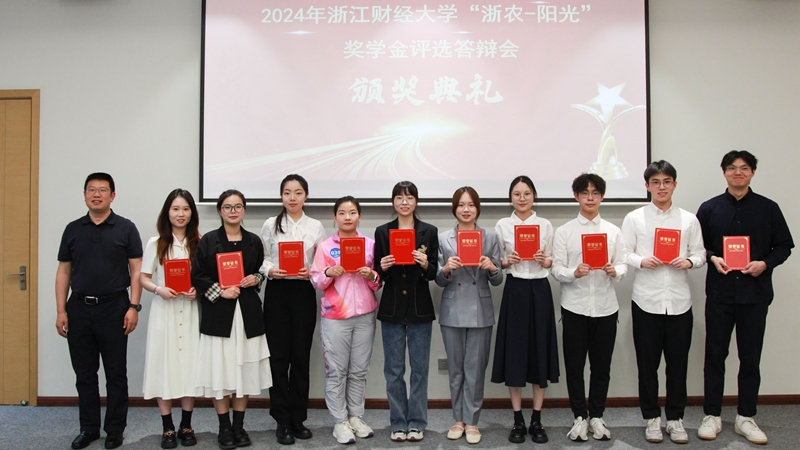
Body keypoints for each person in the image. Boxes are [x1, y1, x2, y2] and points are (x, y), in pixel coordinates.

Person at [696, 151, 793, 445]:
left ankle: (746, 417)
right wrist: (713, 257)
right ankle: (712, 414)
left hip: (755, 294)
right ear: (724, 172)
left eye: (744, 168)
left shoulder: (768, 208)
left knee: (750, 358)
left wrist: (765, 263)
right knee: (715, 356)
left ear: (752, 173)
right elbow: (697, 247)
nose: (738, 172)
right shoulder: (709, 208)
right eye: (732, 168)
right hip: (720, 295)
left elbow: (784, 246)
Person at [55, 172, 143, 450]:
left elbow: (136, 271)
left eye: (102, 190)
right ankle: (89, 429)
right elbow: (63, 271)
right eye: (91, 190)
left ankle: (115, 430)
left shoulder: (126, 228)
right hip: (79, 309)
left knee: (116, 374)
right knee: (84, 374)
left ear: (112, 196)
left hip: (115, 308)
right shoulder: (73, 229)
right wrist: (61, 310)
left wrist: (133, 306)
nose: (96, 194)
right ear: (84, 195)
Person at [620, 161, 706, 444]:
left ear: (674, 185)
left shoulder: (689, 220)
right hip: (646, 301)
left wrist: (689, 262)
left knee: (678, 365)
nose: (661, 187)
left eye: (667, 181)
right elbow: (624, 253)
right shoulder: (634, 218)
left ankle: (676, 419)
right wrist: (641, 261)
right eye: (655, 182)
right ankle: (652, 419)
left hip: (680, 303)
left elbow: (700, 254)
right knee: (647, 366)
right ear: (647, 186)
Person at [191, 189, 272, 450]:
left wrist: (255, 279)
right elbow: (197, 276)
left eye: (238, 206)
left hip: (248, 313)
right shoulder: (209, 240)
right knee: (221, 371)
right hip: (219, 315)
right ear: (220, 211)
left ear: (244, 210)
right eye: (227, 207)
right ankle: (224, 427)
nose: (233, 211)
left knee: (244, 371)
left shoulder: (253, 241)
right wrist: (220, 291)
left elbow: (261, 271)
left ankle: (239, 426)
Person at [553, 173, 627, 442]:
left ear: (602, 196)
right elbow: (557, 269)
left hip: (606, 308)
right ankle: (579, 417)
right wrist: (573, 272)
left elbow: (623, 264)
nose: (590, 198)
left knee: (601, 367)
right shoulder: (564, 232)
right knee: (574, 367)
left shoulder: (613, 231)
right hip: (575, 307)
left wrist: (615, 270)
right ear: (576, 196)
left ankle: (597, 415)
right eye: (585, 193)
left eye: (595, 193)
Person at [491, 176, 559, 444]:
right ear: (511, 198)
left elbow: (553, 260)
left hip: (540, 290)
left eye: (527, 193)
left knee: (540, 352)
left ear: (534, 196)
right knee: (515, 354)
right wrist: (506, 262)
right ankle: (517, 419)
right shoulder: (502, 225)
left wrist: (545, 261)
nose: (522, 198)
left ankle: (537, 419)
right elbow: (496, 262)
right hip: (515, 290)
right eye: (517, 194)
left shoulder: (545, 225)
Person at [259, 174, 326, 445]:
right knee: (278, 358)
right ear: (281, 196)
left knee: (300, 356)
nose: (293, 198)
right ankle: (281, 419)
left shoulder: (315, 226)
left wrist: (312, 270)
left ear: (306, 196)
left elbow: (321, 262)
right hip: (277, 292)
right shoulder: (270, 225)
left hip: (303, 293)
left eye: (298, 193)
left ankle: (298, 418)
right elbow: (263, 258)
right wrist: (270, 270)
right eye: (287, 193)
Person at [310, 196, 381, 445]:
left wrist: (371, 274)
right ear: (335, 217)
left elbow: (378, 282)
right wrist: (329, 272)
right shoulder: (325, 247)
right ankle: (339, 421)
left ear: (359, 216)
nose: (347, 217)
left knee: (359, 371)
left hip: (365, 315)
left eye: (352, 212)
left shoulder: (370, 245)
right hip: (335, 317)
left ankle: (356, 417)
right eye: (342, 213)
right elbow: (316, 280)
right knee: (336, 372)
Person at [436, 186, 503, 445]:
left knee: (475, 370)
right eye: (461, 205)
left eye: (471, 205)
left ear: (478, 208)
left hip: (480, 309)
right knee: (456, 369)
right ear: (455, 208)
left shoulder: (490, 237)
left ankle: (472, 421)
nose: (466, 209)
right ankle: (458, 420)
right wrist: (446, 269)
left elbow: (498, 279)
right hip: (452, 309)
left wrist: (492, 267)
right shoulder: (444, 238)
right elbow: (438, 279)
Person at [373, 181, 439, 442]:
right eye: (399, 197)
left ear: (416, 202)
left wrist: (424, 265)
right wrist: (383, 267)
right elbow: (377, 274)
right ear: (393, 202)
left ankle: (417, 423)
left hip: (419, 308)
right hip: (391, 308)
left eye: (409, 197)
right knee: (394, 371)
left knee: (420, 371)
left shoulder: (429, 231)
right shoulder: (383, 232)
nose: (404, 202)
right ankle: (398, 423)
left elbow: (434, 272)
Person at [139, 189, 202, 449]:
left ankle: (186, 425)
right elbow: (143, 277)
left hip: (190, 310)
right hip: (164, 312)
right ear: (168, 212)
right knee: (163, 366)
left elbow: (205, 277)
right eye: (175, 209)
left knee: (189, 367)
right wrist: (158, 289)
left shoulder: (200, 241)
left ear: (192, 213)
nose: (180, 214)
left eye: (186, 209)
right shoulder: (156, 242)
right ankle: (167, 427)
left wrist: (197, 289)